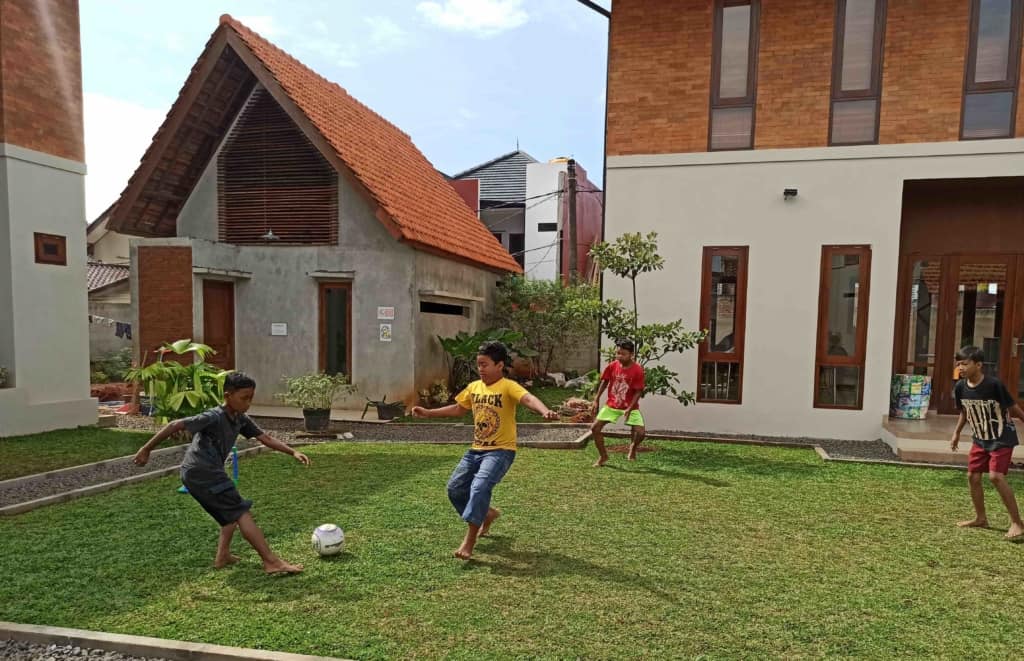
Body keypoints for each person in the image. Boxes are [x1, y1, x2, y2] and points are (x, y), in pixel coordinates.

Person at [133, 372, 311, 573]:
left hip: (201, 473)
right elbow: (175, 424)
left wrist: (293, 451)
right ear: (228, 396)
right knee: (241, 512)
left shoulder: (240, 419)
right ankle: (271, 562)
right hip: (203, 472)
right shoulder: (214, 416)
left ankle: (223, 556)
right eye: (244, 398)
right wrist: (146, 449)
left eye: (251, 398)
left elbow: (265, 438)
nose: (248, 403)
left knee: (229, 513)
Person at [411, 341, 559, 560]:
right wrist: (428, 413)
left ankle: (469, 540)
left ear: (499, 365)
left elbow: (528, 398)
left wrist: (545, 410)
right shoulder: (474, 387)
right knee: (455, 489)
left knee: (479, 487)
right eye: (478, 364)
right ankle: (487, 514)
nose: (480, 368)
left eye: (485, 364)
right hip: (476, 450)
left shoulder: (508, 386)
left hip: (501, 451)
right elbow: (459, 409)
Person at [949, 346, 1024, 539]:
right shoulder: (960, 387)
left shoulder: (993, 385)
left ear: (979, 365)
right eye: (958, 364)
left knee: (995, 477)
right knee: (973, 477)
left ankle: (1017, 523)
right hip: (980, 439)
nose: (960, 368)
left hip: (1001, 437)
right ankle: (981, 518)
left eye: (965, 364)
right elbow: (964, 411)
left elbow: (1013, 407)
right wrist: (956, 433)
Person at [590, 339, 646, 467]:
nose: (619, 356)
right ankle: (603, 457)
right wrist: (596, 399)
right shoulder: (612, 366)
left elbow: (638, 392)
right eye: (618, 353)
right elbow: (604, 382)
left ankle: (633, 448)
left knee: (641, 433)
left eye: (623, 354)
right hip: (612, 405)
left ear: (631, 354)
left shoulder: (638, 370)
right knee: (595, 428)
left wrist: (630, 408)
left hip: (630, 407)